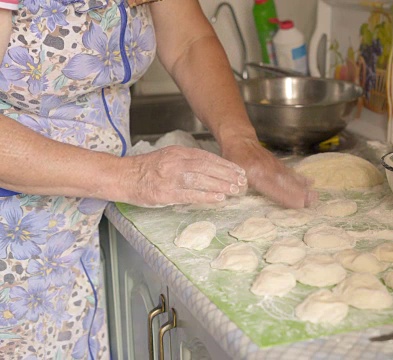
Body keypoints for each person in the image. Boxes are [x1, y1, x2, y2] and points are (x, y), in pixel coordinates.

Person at [0, 0, 316, 358]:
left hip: (86, 212)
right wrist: (133, 178)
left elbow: (188, 41)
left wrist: (241, 141)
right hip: (17, 240)